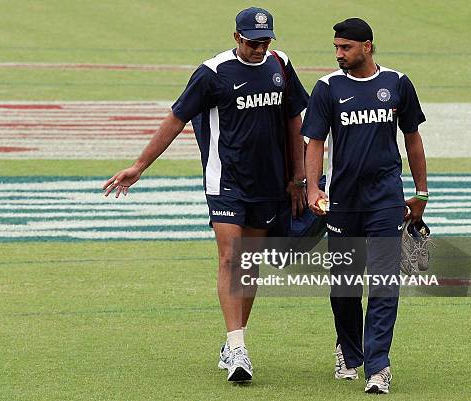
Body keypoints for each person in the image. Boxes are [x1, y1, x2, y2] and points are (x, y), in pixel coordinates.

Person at [103, 6, 309, 383]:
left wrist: (299, 175)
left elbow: (296, 117)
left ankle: (233, 341)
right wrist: (139, 166)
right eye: (252, 42)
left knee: (250, 265)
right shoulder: (212, 73)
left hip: (269, 183)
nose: (259, 48)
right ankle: (238, 349)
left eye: (265, 41)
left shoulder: (281, 63)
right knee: (231, 258)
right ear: (236, 38)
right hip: (225, 181)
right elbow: (176, 118)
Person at [302, 18, 428, 394]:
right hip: (342, 202)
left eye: (346, 48)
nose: (339, 54)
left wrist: (421, 193)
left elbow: (413, 138)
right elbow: (314, 143)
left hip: (386, 201)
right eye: (336, 48)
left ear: (367, 46)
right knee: (343, 287)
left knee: (385, 283)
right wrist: (312, 189)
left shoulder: (397, 84)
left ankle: (378, 366)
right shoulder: (327, 88)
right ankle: (349, 351)